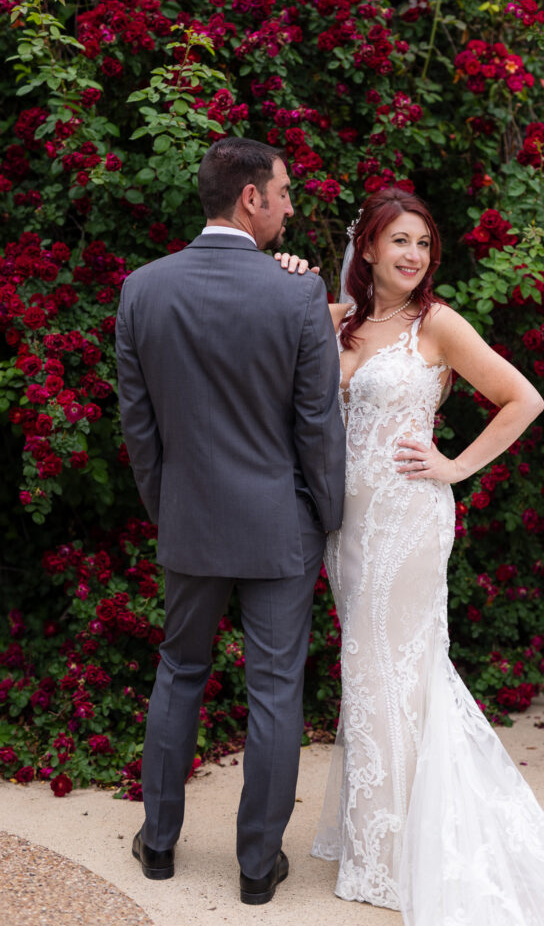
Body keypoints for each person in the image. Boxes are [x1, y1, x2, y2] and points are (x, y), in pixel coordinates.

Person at [291, 187, 544, 926]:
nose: (412, 255)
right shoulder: (338, 323)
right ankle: (376, 838)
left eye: (423, 244)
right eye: (398, 241)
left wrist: (453, 466)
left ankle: (406, 849)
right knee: (368, 675)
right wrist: (291, 282)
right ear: (366, 248)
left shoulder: (434, 324)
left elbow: (523, 399)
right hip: (348, 528)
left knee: (403, 672)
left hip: (407, 521)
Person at [115, 137, 345, 904]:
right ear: (250, 197)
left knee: (178, 674)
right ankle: (255, 869)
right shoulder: (294, 295)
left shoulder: (142, 290)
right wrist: (327, 518)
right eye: (282, 193)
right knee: (275, 692)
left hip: (190, 523)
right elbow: (318, 427)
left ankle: (156, 846)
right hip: (280, 527)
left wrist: (168, 509)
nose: (288, 206)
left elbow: (138, 430)